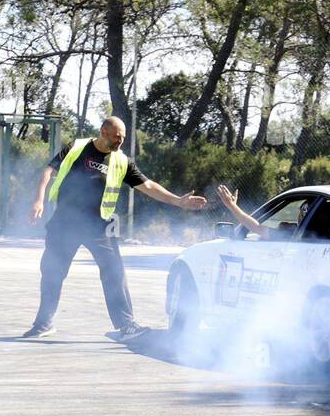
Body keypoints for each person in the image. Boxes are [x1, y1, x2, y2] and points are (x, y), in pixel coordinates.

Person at [22, 117, 206, 340]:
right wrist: (38, 200)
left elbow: (147, 185)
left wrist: (178, 201)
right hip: (65, 222)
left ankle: (126, 325)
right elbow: (48, 171)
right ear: (103, 132)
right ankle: (43, 323)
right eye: (117, 136)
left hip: (98, 226)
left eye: (123, 138)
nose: (120, 141)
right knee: (52, 272)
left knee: (114, 273)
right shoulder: (77, 147)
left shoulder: (121, 161)